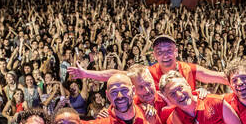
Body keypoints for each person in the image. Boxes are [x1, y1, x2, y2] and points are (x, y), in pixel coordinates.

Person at [67, 35, 229, 91]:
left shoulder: (190, 69)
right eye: (160, 52)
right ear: (154, 55)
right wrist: (86, 73)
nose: (165, 55)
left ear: (176, 52)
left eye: (168, 51)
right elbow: (117, 74)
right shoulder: (149, 73)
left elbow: (221, 77)